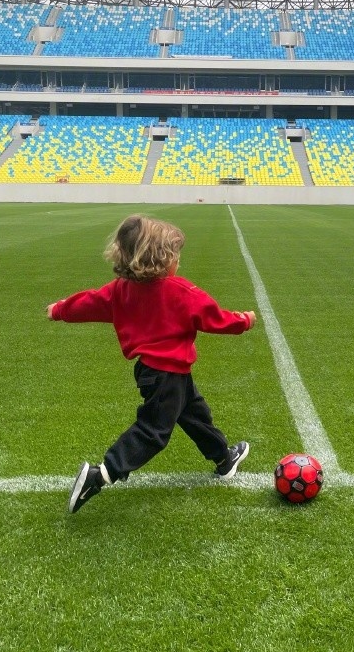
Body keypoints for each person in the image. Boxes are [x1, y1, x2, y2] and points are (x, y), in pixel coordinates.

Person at [47, 214, 256, 514]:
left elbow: (88, 303)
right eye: (175, 256)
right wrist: (244, 320)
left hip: (156, 373)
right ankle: (101, 474)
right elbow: (215, 318)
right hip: (167, 375)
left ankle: (224, 458)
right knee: (153, 431)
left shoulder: (120, 290)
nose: (178, 262)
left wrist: (59, 310)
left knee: (195, 414)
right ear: (161, 259)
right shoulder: (180, 291)